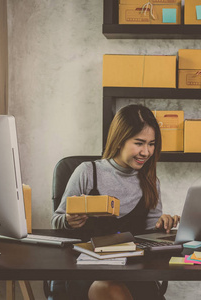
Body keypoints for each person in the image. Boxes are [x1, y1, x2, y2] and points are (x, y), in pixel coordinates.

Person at [51, 104, 180, 300]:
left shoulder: (150, 182)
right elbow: (57, 220)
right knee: (111, 290)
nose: (146, 152)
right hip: (90, 273)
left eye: (151, 144)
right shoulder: (87, 172)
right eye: (139, 143)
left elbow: (151, 234)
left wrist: (163, 224)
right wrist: (69, 220)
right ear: (119, 140)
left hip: (134, 271)